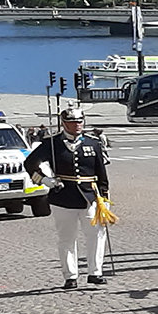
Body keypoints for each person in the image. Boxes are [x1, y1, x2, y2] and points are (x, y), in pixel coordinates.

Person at [23, 107, 110, 289]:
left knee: (96, 235)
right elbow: (30, 163)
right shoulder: (52, 144)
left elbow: (101, 173)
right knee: (67, 239)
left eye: (79, 121)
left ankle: (95, 272)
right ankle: (70, 275)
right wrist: (45, 180)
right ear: (64, 124)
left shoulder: (93, 143)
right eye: (72, 122)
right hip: (63, 197)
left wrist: (104, 198)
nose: (77, 125)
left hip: (89, 197)